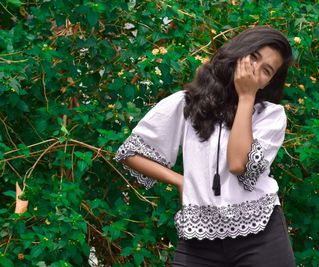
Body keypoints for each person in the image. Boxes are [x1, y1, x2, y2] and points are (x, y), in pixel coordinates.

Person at [114, 26, 296, 266]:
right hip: (199, 238)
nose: (255, 70)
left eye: (267, 71)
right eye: (254, 57)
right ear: (239, 52)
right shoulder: (186, 103)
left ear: (269, 82)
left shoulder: (270, 115)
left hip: (260, 234)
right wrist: (180, 181)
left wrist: (246, 97)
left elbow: (238, 163)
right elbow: (131, 152)